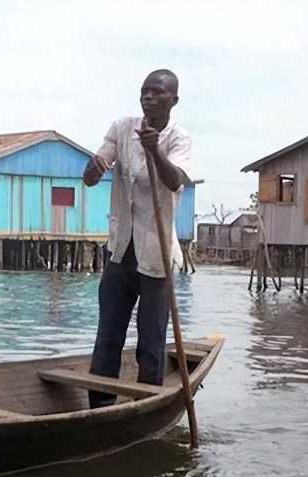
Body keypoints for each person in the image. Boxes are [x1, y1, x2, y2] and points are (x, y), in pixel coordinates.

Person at [82, 69, 193, 408]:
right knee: (108, 336)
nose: (148, 97)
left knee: (151, 340)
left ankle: (145, 405)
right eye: (144, 91)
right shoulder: (121, 128)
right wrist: (93, 169)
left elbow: (175, 182)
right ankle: (99, 408)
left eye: (157, 92)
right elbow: (92, 174)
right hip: (120, 248)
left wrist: (154, 149)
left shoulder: (179, 138)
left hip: (155, 251)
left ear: (173, 100)